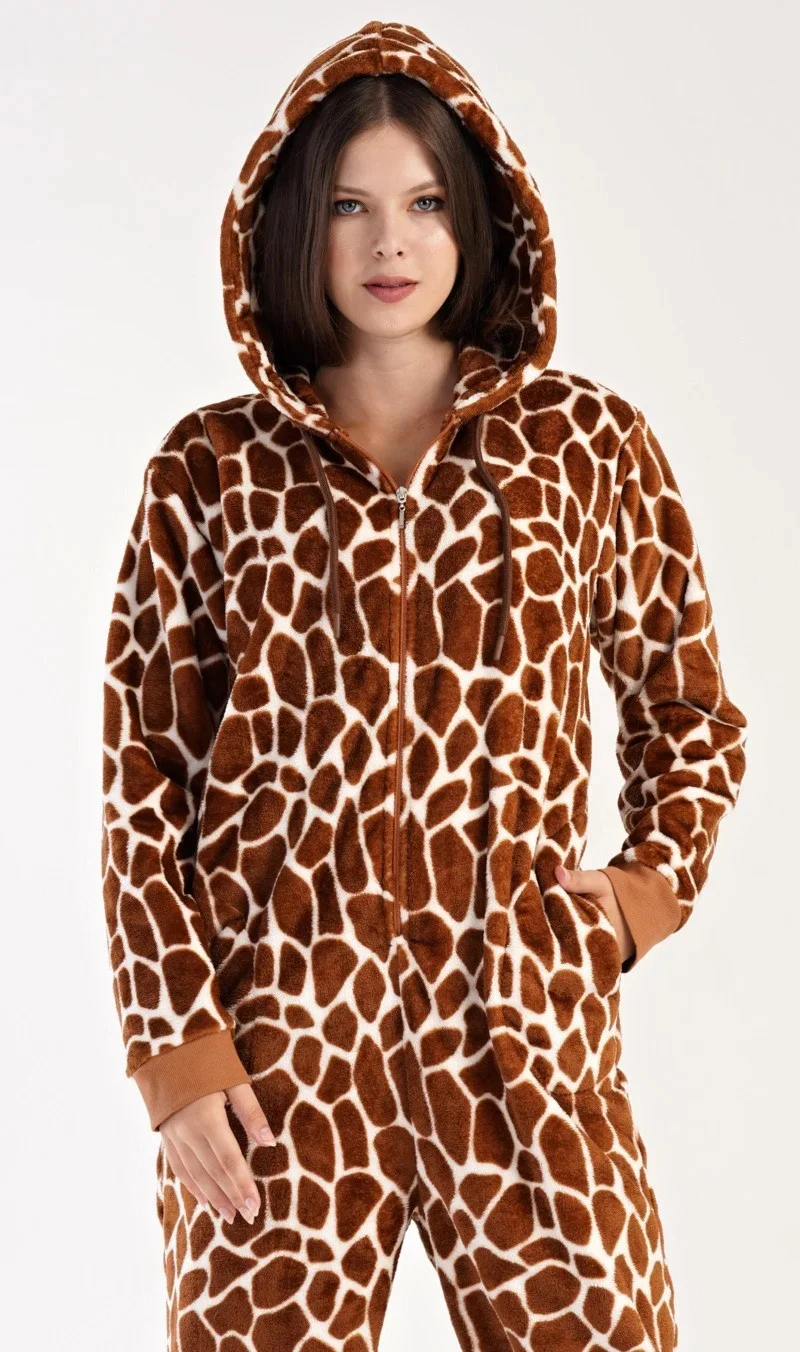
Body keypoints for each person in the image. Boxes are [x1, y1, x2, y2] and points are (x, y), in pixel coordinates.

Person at [100, 19, 748, 1352]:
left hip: (523, 1026)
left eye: (425, 203)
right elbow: (141, 781)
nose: (388, 243)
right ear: (292, 223)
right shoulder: (209, 470)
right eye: (349, 206)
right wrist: (175, 1055)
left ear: (481, 218)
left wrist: (637, 898)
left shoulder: (586, 445)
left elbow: (689, 711)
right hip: (277, 1044)